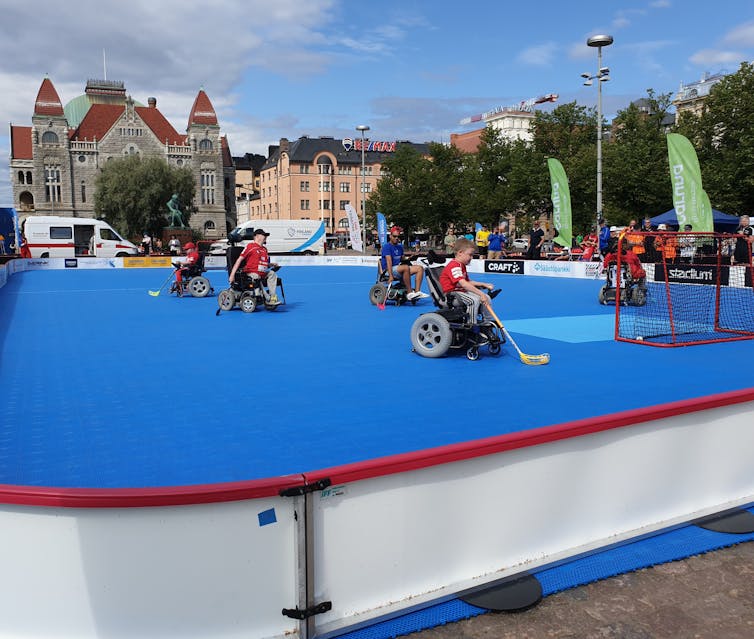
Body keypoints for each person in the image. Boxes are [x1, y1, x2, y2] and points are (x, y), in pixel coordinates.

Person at [439, 238, 496, 326]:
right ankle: (471, 325)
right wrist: (481, 294)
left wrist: (484, 284)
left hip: (460, 292)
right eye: (470, 255)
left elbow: (468, 282)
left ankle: (487, 323)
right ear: (460, 252)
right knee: (473, 300)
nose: (472, 258)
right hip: (451, 294)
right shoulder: (454, 266)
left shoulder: (461, 265)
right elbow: (464, 284)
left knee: (487, 298)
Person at [228, 229, 280, 304]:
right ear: (257, 236)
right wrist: (232, 275)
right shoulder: (250, 246)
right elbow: (239, 260)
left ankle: (273, 297)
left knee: (272, 273)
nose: (266, 237)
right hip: (251, 273)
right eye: (264, 235)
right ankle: (267, 298)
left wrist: (271, 265)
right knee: (256, 276)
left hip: (262, 273)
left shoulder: (264, 249)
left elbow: (262, 264)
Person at [380, 225, 428, 300]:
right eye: (394, 236)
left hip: (398, 268)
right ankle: (409, 293)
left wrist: (411, 257)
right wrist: (390, 276)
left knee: (420, 268)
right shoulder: (386, 247)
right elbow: (389, 262)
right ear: (390, 236)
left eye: (398, 237)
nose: (396, 238)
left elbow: (402, 259)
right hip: (388, 270)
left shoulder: (400, 247)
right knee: (405, 268)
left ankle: (417, 291)